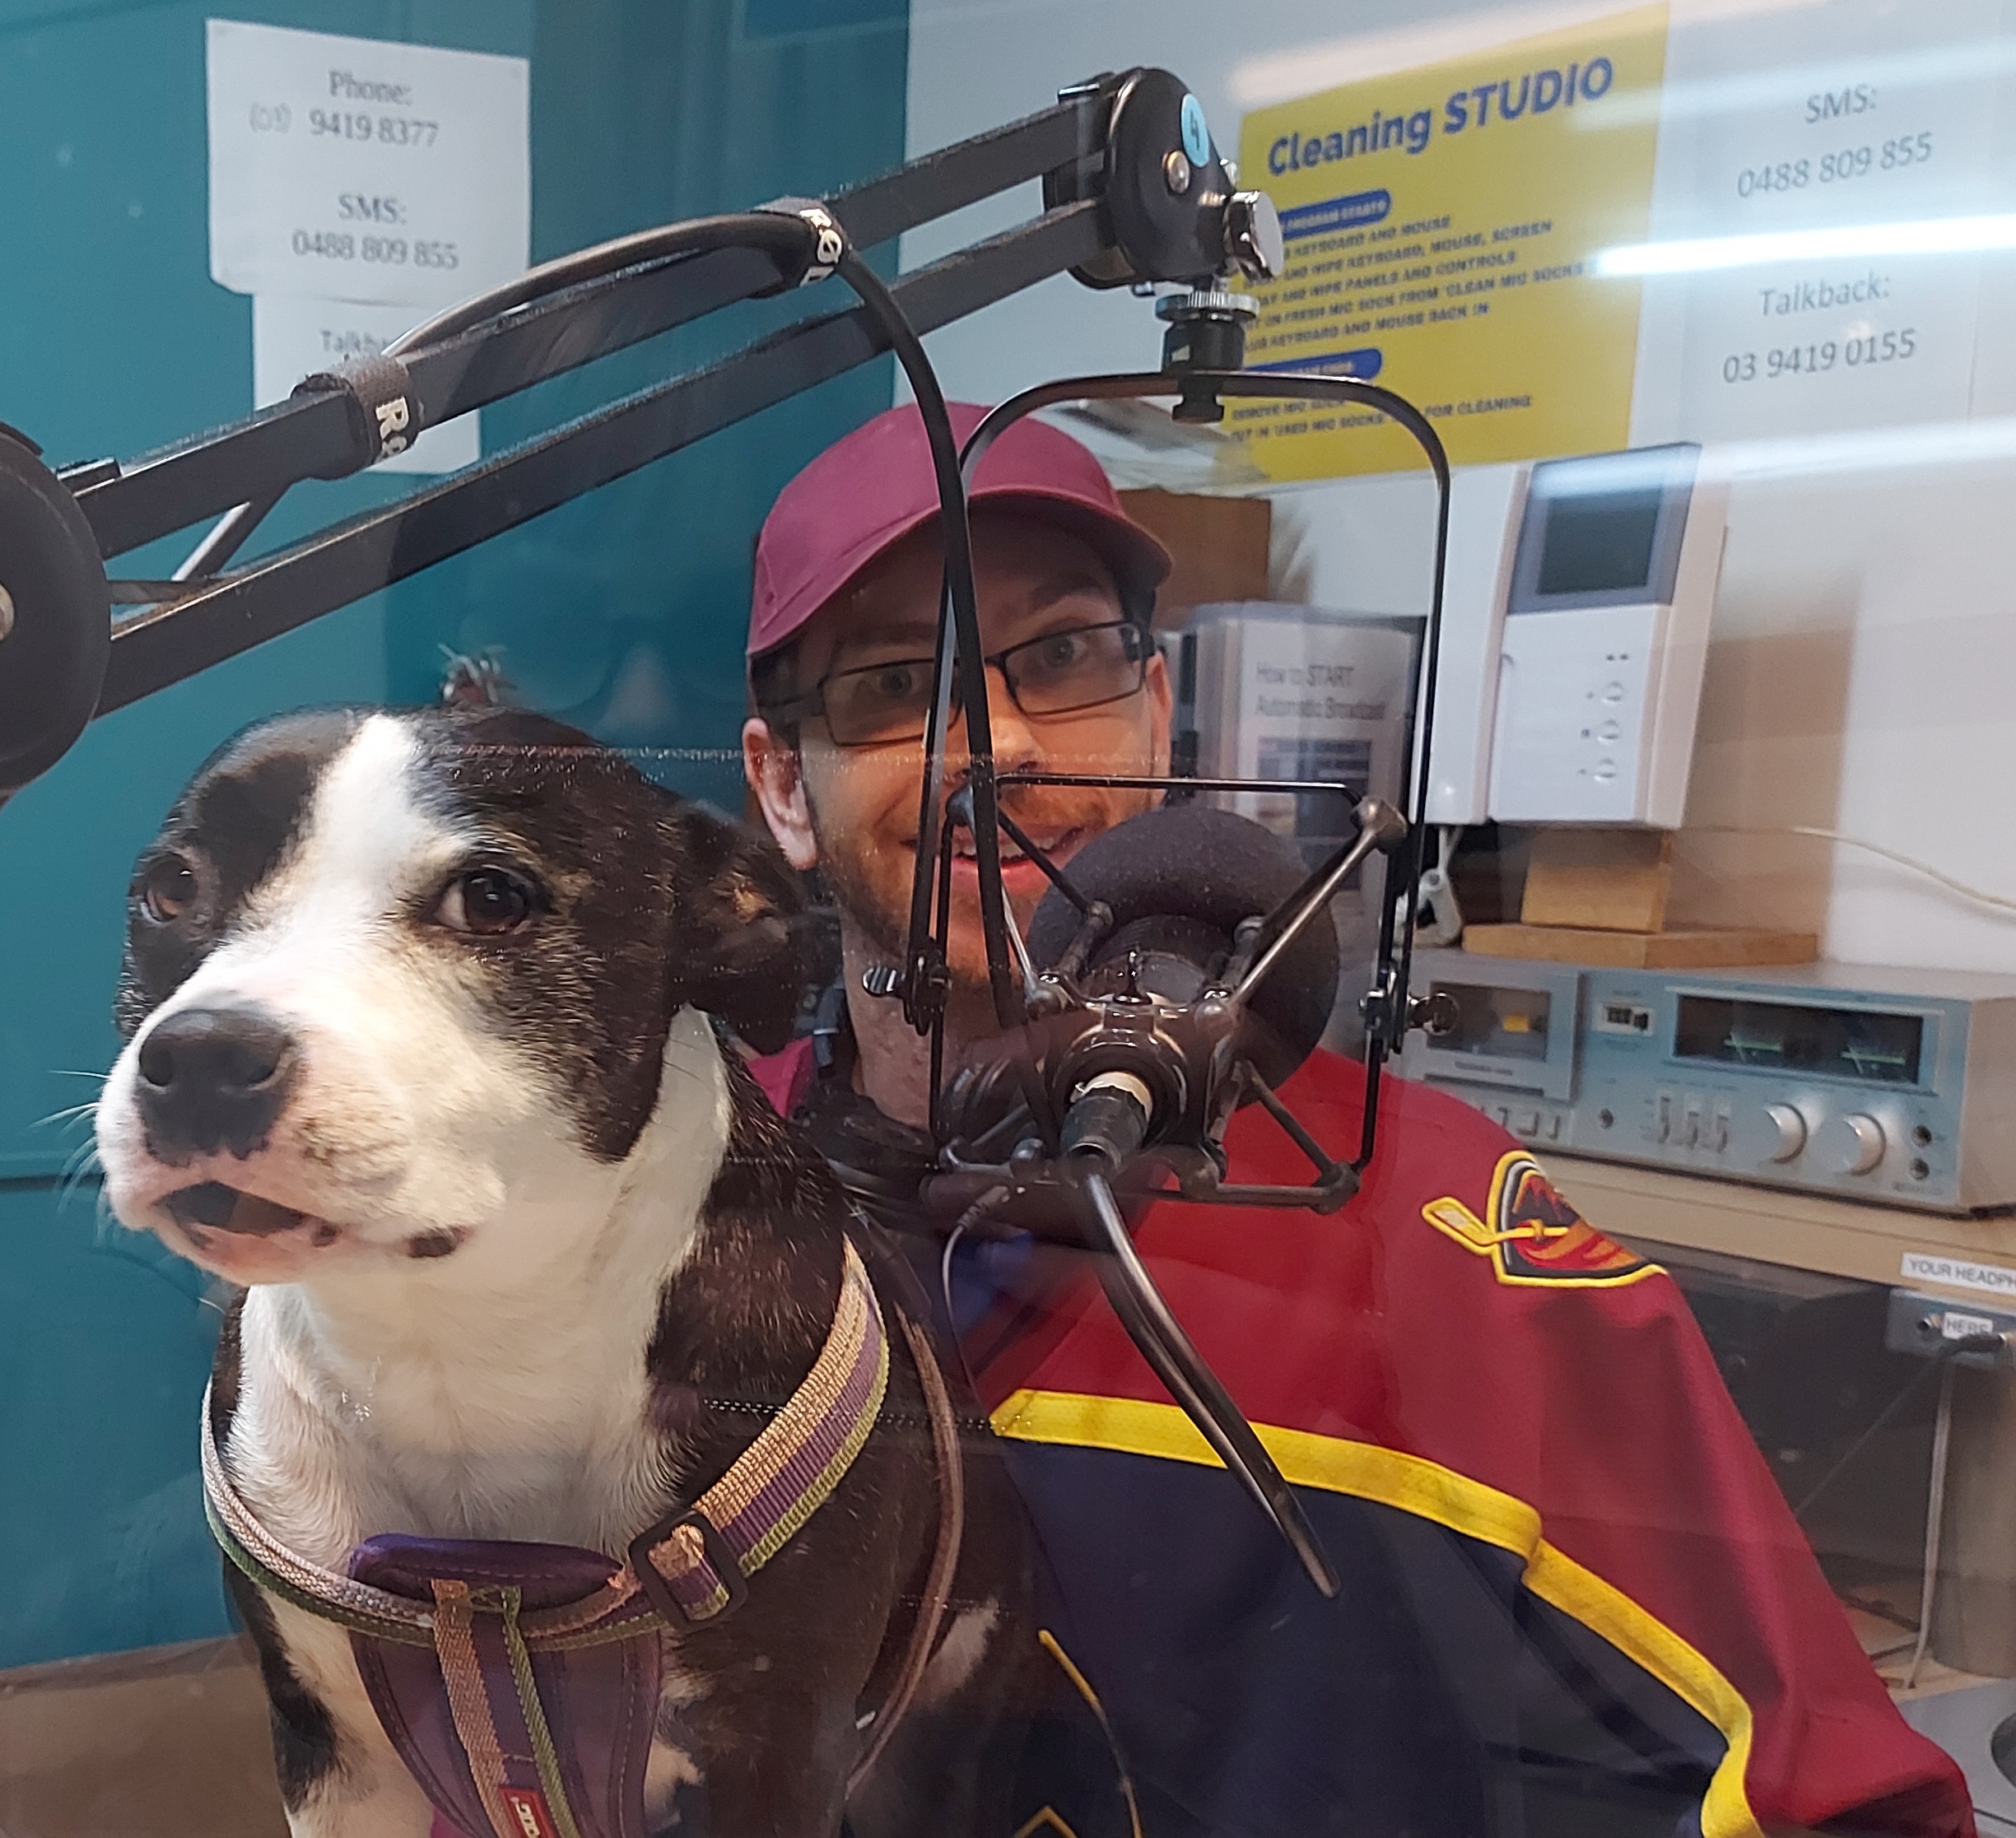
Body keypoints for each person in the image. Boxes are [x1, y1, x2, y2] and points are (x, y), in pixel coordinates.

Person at [740, 402, 1972, 1837]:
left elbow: (1830, 1796)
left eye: (1066, 654)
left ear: (1157, 713)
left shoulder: (1429, 1236)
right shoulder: (676, 1207)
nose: (1003, 738)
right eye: (901, 680)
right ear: (782, 784)